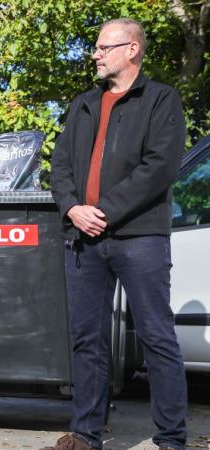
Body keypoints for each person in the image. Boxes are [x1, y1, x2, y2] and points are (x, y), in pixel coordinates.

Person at [48, 18, 188, 450]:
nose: (95, 54)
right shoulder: (83, 104)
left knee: (155, 335)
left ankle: (171, 439)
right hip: (84, 239)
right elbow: (61, 165)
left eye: (103, 47)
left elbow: (158, 168)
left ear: (132, 50)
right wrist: (73, 207)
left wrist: (102, 212)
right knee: (87, 338)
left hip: (140, 237)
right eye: (95, 47)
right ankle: (86, 434)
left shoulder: (161, 100)